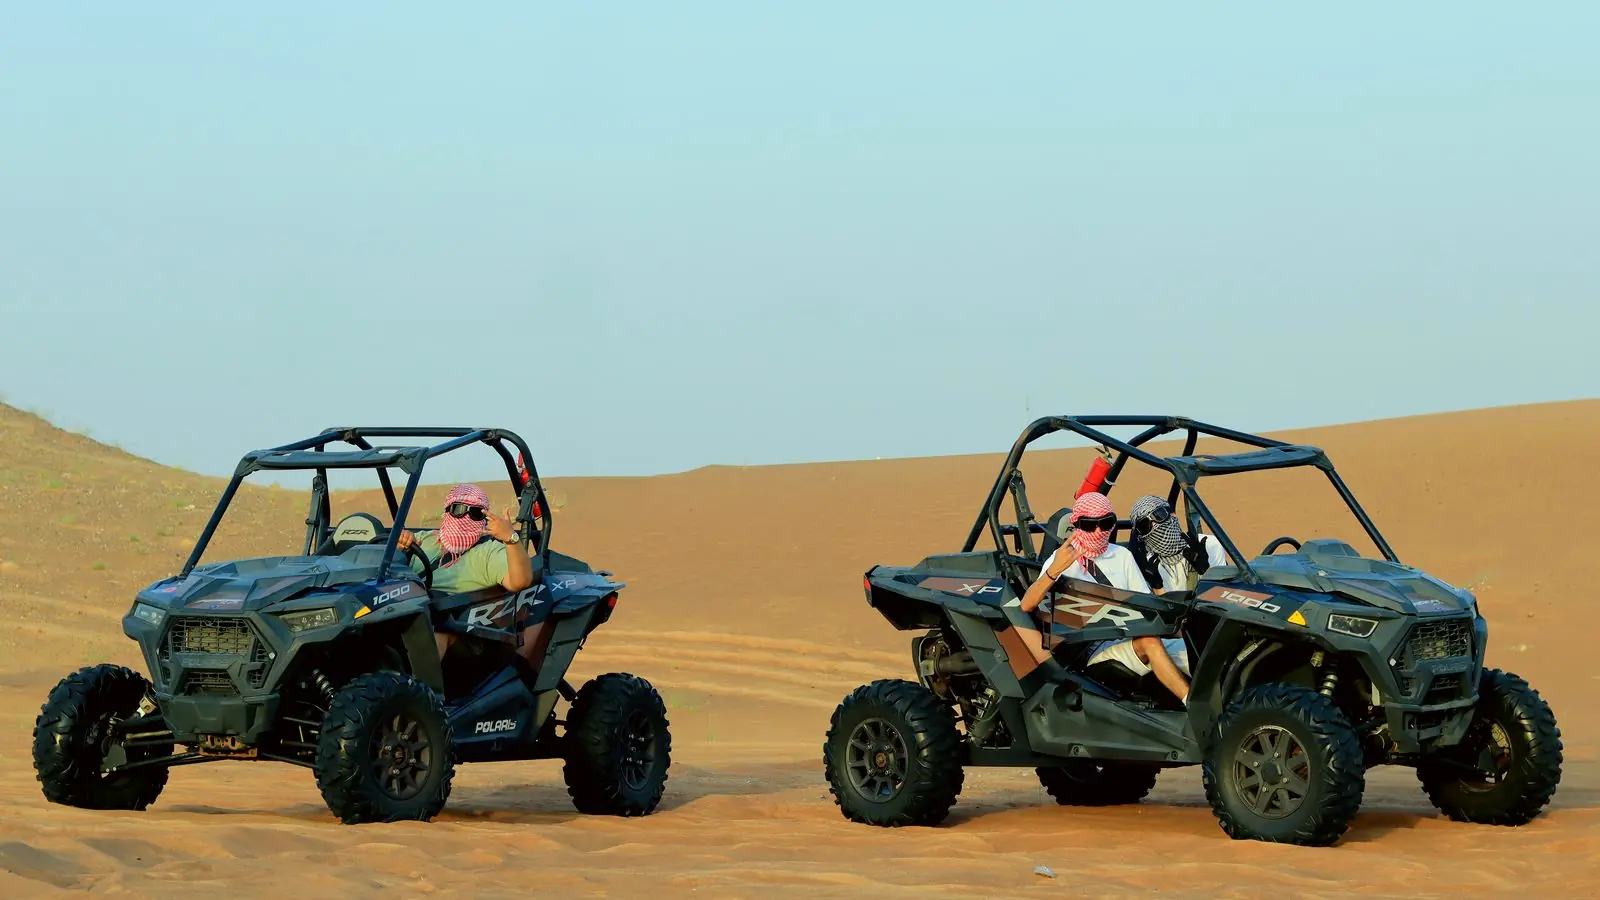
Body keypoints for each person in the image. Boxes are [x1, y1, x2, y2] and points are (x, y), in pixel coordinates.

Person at [1019, 491, 1191, 705]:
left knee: (1193, 647)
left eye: (1106, 523)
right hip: (1092, 647)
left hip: (1131, 635)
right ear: (1077, 524)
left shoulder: (1122, 556)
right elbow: (1026, 605)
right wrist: (1054, 570)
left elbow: (1146, 606)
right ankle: (1193, 705)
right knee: (1150, 642)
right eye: (1090, 525)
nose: (1099, 531)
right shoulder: (1061, 558)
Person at [396, 484, 534, 656]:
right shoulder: (424, 539)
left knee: (435, 632)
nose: (466, 517)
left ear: (483, 518)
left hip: (458, 627)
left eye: (475, 513)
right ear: (447, 510)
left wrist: (511, 539)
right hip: (408, 612)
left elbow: (520, 581)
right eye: (458, 509)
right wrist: (400, 545)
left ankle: (416, 674)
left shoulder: (489, 552)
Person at [1128, 494, 1228, 594]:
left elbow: (1220, 596)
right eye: (1145, 525)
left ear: (1172, 515)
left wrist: (1206, 571)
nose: (1155, 525)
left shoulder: (1209, 545)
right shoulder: (1148, 567)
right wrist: (1156, 586)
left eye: (1159, 515)